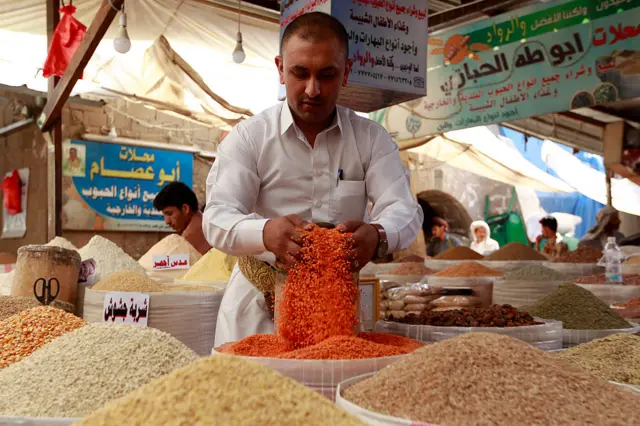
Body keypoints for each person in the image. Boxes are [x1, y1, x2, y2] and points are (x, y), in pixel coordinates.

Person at [203, 12, 422, 347]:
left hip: (338, 308)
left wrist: (377, 235)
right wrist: (265, 232)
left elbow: (405, 211)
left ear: (346, 72)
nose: (313, 89)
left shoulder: (370, 139)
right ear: (280, 68)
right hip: (256, 310)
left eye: (327, 75)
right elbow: (217, 218)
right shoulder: (249, 137)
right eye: (299, 73)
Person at [153, 182, 212, 255]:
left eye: (169, 214)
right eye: (164, 215)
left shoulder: (187, 241)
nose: (167, 221)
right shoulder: (207, 224)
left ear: (185, 209)